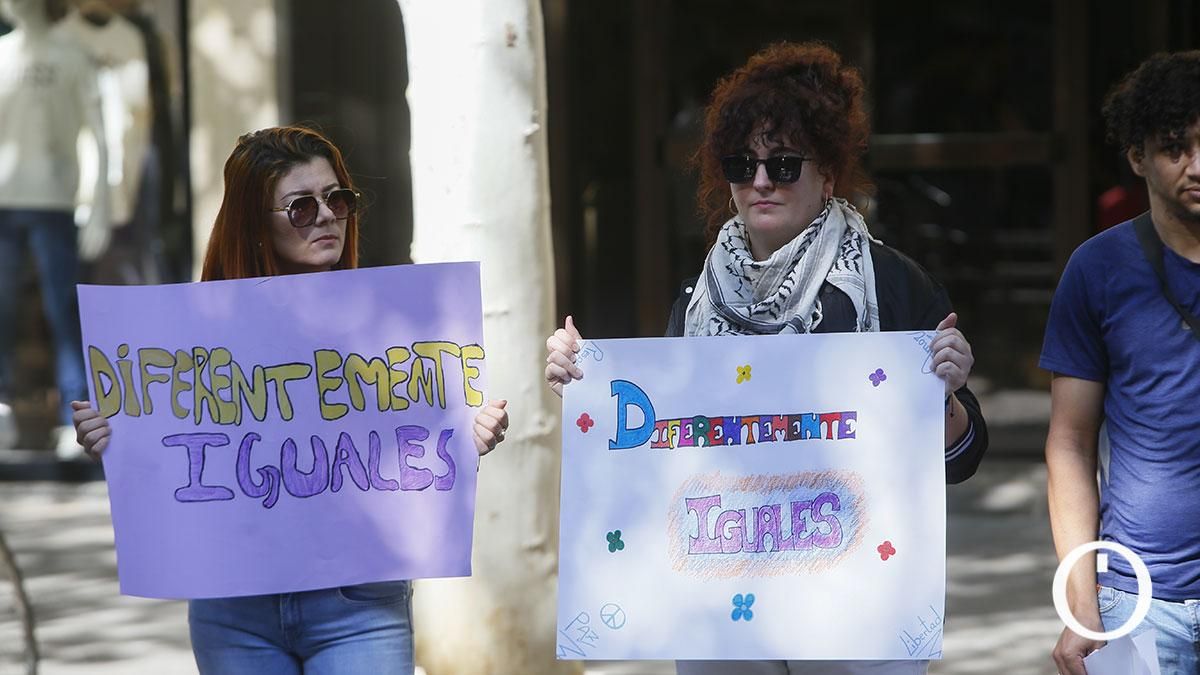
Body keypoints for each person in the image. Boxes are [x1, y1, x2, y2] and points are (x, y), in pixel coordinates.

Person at [545, 42, 987, 675]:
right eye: (741, 163)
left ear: (828, 175)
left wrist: (944, 396)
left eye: (782, 165)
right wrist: (590, 390)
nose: (759, 181)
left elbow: (962, 457)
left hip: (854, 606)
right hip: (721, 604)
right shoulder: (700, 296)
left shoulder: (891, 283)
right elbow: (662, 439)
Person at [71, 126, 511, 674]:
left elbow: (415, 441)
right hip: (234, 605)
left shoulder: (393, 325)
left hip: (359, 601)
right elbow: (165, 455)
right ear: (256, 221)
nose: (327, 215)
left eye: (337, 199)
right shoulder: (191, 337)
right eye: (301, 207)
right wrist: (112, 439)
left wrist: (468, 436)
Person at [1043, 51, 1200, 675]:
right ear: (1137, 157)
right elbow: (1069, 443)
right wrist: (1082, 602)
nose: (1197, 166)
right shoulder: (1098, 269)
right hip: (1140, 599)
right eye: (1175, 147)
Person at [0, 0, 109, 454]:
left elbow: (97, 134)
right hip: (5, 198)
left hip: (54, 199)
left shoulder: (73, 56)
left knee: (63, 311)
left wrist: (98, 200)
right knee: (3, 308)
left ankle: (73, 414)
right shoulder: (4, 53)